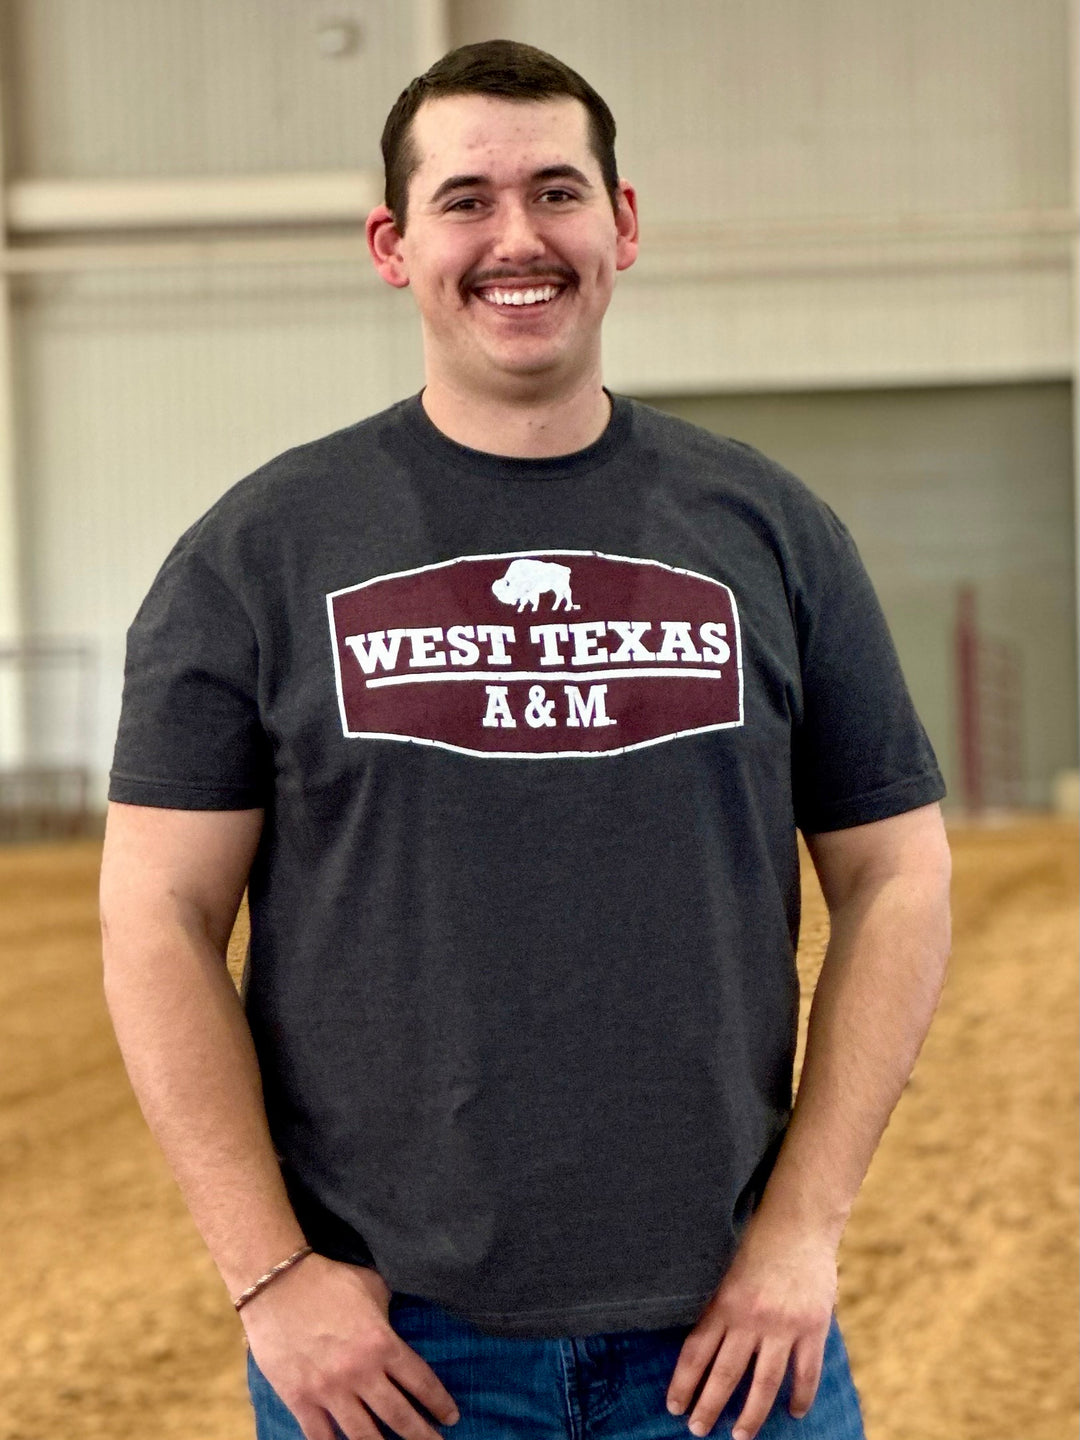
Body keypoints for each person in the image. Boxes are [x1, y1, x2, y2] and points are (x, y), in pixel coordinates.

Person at [100, 38, 951, 1440]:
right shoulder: (259, 554)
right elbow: (154, 913)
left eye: (558, 192)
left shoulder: (772, 534)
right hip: (398, 1359)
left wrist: (803, 1233)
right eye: (466, 200)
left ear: (622, 223)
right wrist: (268, 1280)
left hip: (729, 1346)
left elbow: (899, 875)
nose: (518, 238)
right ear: (393, 243)